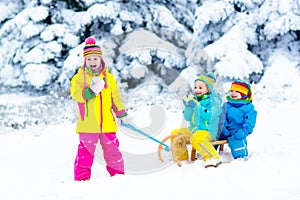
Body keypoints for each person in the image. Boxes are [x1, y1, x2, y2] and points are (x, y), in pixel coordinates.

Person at [70, 36, 130, 181]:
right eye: (89, 59)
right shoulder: (79, 78)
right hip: (88, 124)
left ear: (101, 59)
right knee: (85, 152)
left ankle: (118, 177)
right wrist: (90, 92)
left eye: (95, 59)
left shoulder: (109, 78)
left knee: (113, 151)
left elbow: (115, 98)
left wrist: (121, 114)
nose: (92, 62)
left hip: (107, 123)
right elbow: (76, 95)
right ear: (85, 61)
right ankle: (82, 179)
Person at [171, 72, 223, 168]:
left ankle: (212, 157)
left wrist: (196, 106)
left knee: (196, 138)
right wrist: (188, 107)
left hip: (208, 131)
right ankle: (182, 158)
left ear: (208, 89)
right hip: (194, 129)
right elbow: (187, 118)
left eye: (200, 87)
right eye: (195, 87)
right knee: (175, 134)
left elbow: (209, 116)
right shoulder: (196, 100)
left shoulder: (214, 101)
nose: (197, 90)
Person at [218, 80, 257, 160]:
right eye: (231, 91)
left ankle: (241, 157)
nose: (233, 93)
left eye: (236, 91)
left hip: (238, 131)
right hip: (225, 130)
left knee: (238, 142)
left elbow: (250, 122)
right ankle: (208, 154)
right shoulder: (226, 105)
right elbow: (221, 117)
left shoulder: (248, 107)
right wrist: (222, 127)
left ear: (243, 94)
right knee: (213, 136)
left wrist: (243, 132)